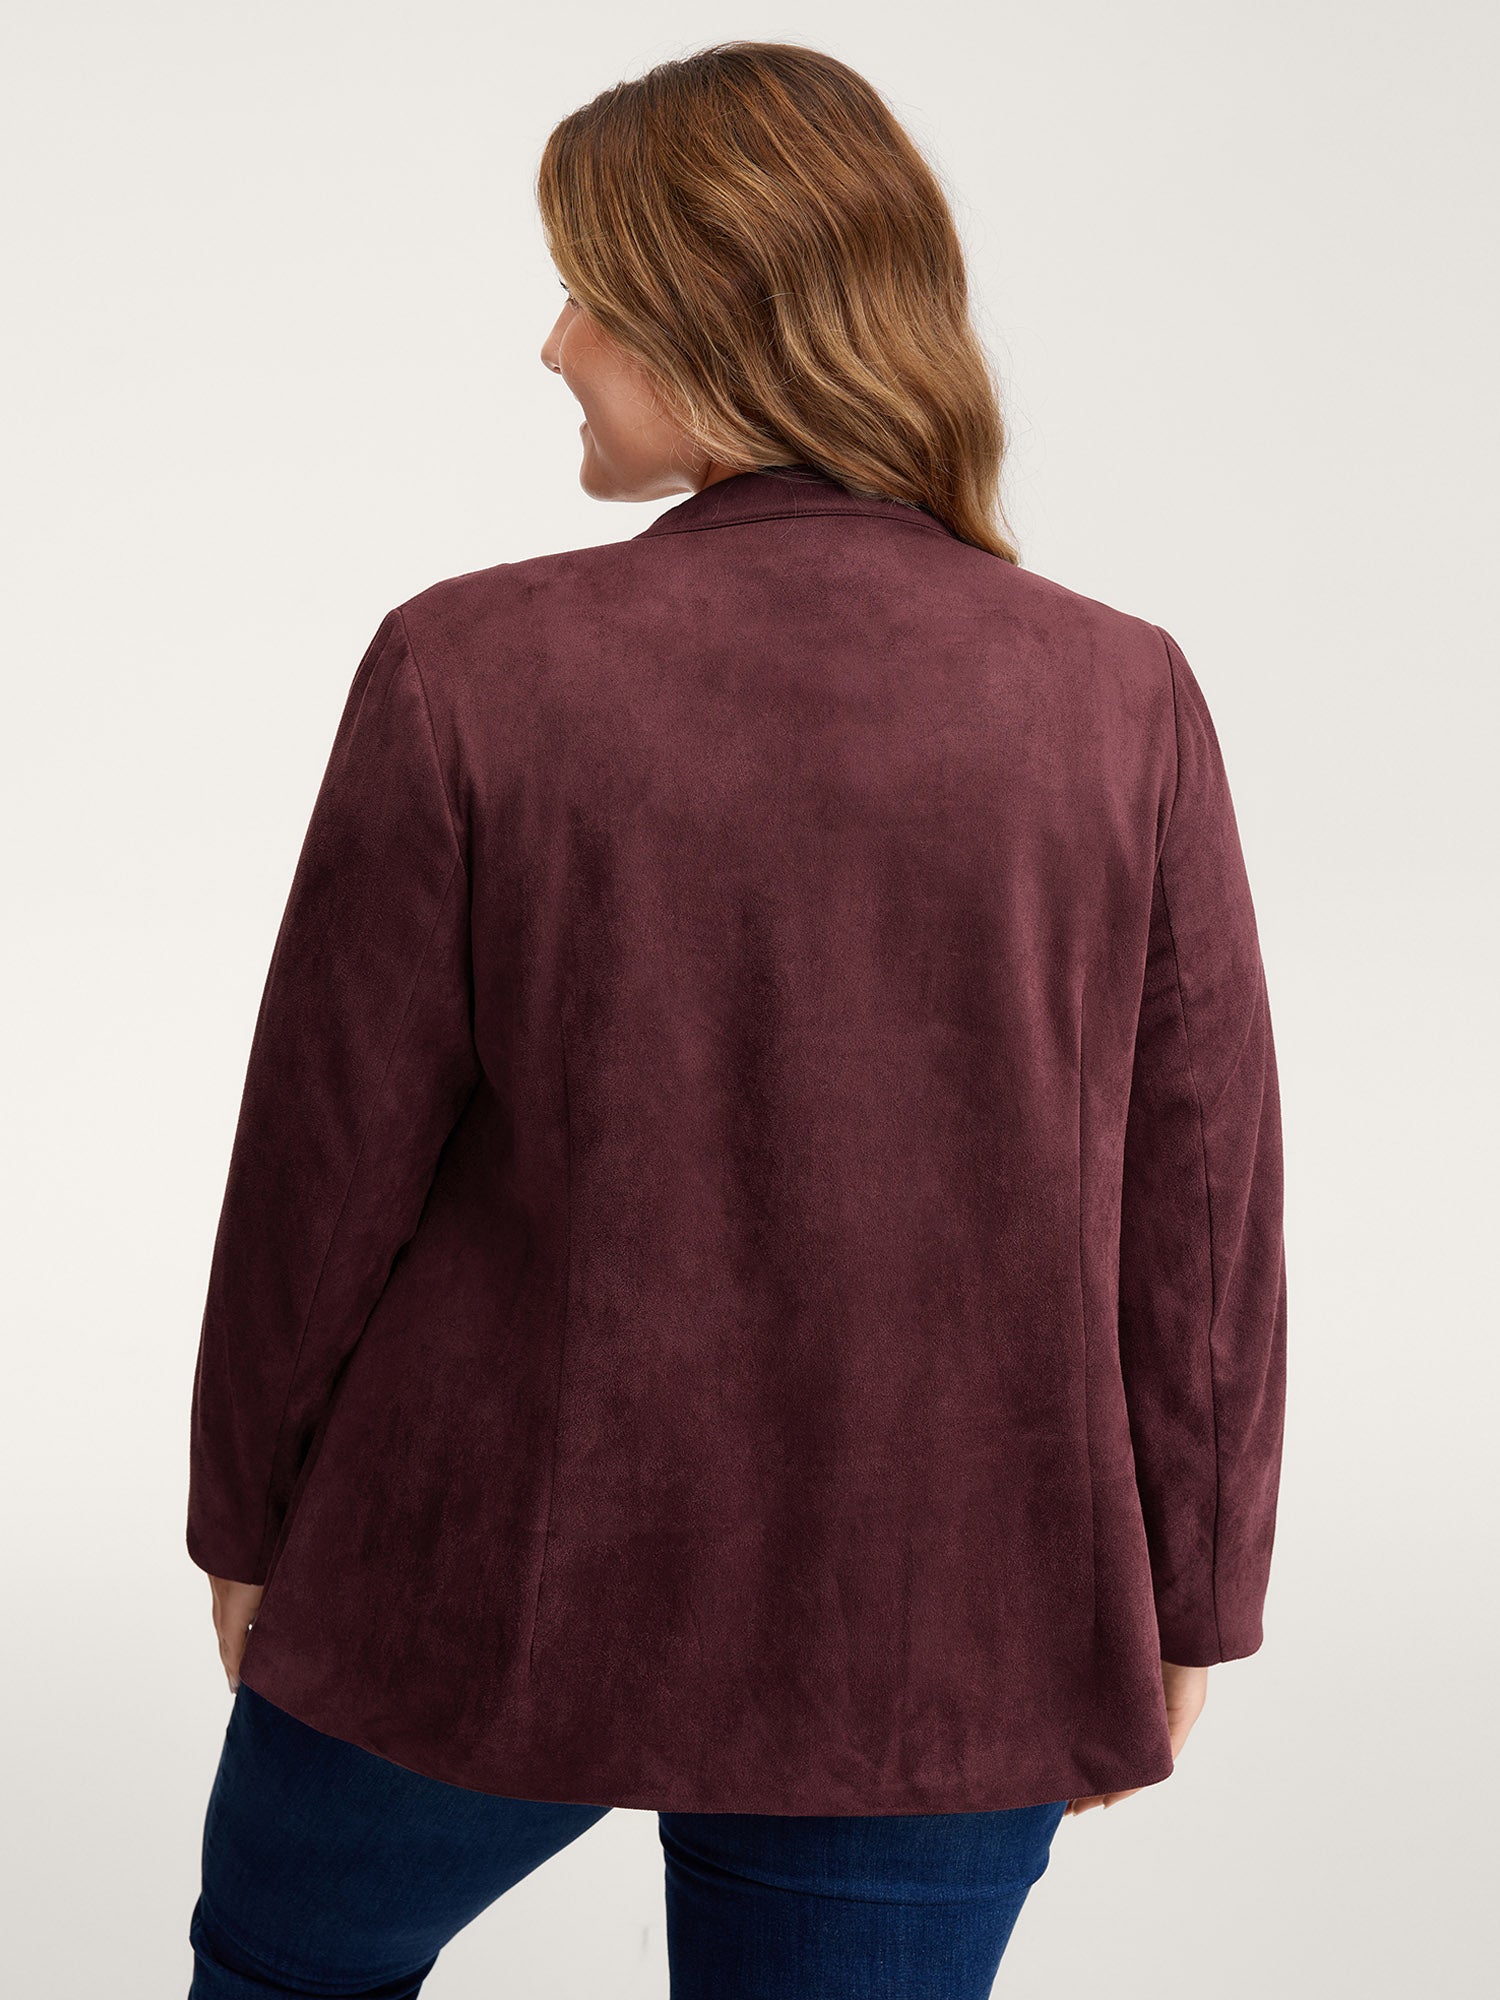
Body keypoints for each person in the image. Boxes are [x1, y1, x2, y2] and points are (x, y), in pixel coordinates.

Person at [183, 39, 1288, 2000]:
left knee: (285, 1968)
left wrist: (247, 1518)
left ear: (717, 311)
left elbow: (320, 1168)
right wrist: (1188, 1592)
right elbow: (1201, 1211)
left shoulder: (472, 665)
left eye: (587, 289)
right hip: (941, 1618)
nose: (550, 343)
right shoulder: (1120, 695)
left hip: (481, 1572)